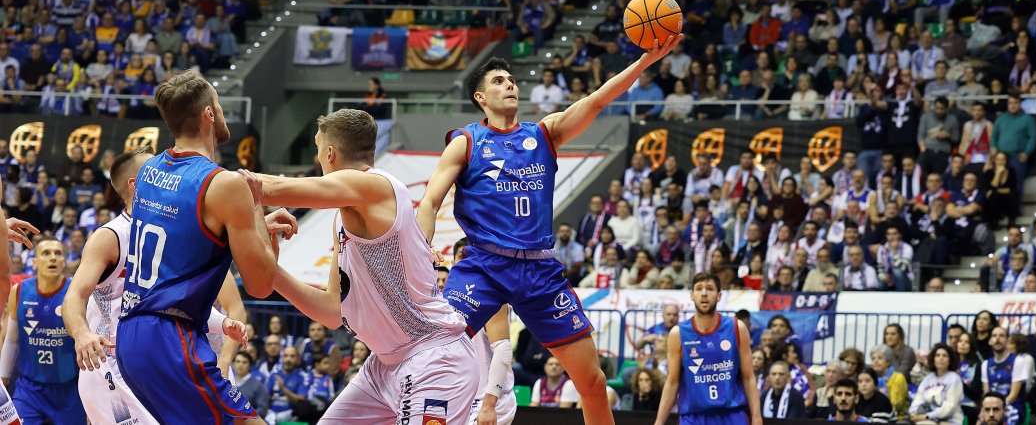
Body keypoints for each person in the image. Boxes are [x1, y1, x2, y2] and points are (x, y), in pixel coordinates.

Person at [420, 41, 682, 425]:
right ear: (481, 97)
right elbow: (427, 204)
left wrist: (643, 62)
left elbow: (594, 101)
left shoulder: (544, 134)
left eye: (512, 80)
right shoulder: (467, 141)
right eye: (499, 81)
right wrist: (422, 246)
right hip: (483, 266)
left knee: (592, 381)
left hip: (539, 272)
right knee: (436, 363)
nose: (510, 85)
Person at [245, 109, 480, 423]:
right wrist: (272, 271)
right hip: (383, 366)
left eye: (317, 151)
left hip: (432, 357)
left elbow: (273, 188)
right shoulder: (343, 217)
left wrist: (222, 184)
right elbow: (331, 312)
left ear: (329, 153)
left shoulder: (377, 187)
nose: (317, 159)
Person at [115, 71, 286, 425]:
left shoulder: (149, 172)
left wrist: (248, 232)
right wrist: (255, 207)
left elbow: (185, 233)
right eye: (219, 105)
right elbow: (260, 284)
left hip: (130, 336)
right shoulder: (224, 184)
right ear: (209, 113)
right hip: (171, 338)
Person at [63, 146, 250, 425]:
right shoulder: (110, 236)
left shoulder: (170, 230)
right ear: (137, 184)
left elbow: (168, 301)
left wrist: (221, 322)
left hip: (148, 363)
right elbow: (73, 297)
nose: (166, 172)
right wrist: (81, 334)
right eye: (156, 169)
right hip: (109, 366)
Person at [653, 272, 762, 425]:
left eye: (709, 289)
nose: (704, 293)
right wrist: (659, 422)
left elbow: (748, 377)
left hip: (731, 415)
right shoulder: (678, 334)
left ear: (719, 295)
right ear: (692, 295)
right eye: (699, 289)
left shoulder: (737, 328)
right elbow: (672, 382)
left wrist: (757, 418)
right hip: (693, 417)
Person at [1, 238, 85, 424]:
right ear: (35, 262)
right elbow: (11, 339)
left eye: (58, 253)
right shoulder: (20, 290)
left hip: (70, 388)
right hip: (30, 388)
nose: (53, 258)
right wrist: (4, 377)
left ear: (64, 261)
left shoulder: (76, 291)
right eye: (46, 253)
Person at [981, 326, 1030, 425]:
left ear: (1007, 341)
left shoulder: (1018, 361)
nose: (997, 339)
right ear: (990, 341)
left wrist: (1000, 407)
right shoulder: (985, 364)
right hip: (991, 407)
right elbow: (987, 393)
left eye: (1001, 336)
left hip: (1012, 406)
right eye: (994, 336)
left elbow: (1013, 395)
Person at [909, 343, 964, 425]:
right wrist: (913, 412)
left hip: (950, 421)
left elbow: (950, 406)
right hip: (928, 419)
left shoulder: (954, 378)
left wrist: (928, 416)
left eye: (944, 356)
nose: (941, 358)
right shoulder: (928, 379)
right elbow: (918, 398)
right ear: (933, 359)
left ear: (950, 360)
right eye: (937, 355)